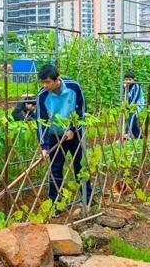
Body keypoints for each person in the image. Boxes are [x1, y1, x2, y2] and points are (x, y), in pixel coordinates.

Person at [36, 64, 92, 211]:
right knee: (55, 169)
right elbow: (41, 122)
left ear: (57, 79)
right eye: (42, 82)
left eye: (48, 82)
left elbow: (82, 110)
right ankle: (55, 204)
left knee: (81, 166)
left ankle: (88, 199)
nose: (45, 85)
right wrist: (44, 146)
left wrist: (73, 129)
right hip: (55, 135)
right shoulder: (42, 96)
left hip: (75, 135)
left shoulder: (74, 87)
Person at [123, 72, 145, 140]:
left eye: (130, 80)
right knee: (133, 121)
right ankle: (139, 137)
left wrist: (130, 107)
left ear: (133, 80)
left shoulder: (136, 86)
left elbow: (135, 97)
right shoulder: (125, 86)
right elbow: (124, 97)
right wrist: (125, 88)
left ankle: (126, 135)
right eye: (126, 79)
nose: (128, 81)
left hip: (138, 105)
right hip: (129, 106)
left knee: (131, 117)